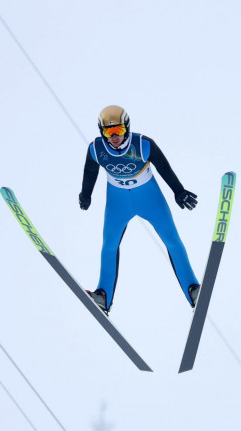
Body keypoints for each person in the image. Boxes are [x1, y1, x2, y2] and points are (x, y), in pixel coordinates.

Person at [78, 105, 200, 314]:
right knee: (109, 245)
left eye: (118, 130)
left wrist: (178, 191)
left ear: (127, 128)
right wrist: (86, 193)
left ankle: (193, 289)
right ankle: (103, 296)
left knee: (172, 240)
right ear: (101, 132)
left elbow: (163, 167)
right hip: (118, 203)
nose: (114, 137)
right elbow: (90, 170)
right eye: (108, 132)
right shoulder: (96, 149)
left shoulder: (143, 144)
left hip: (149, 198)